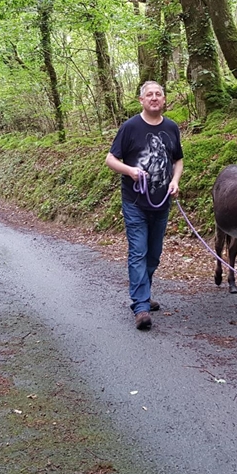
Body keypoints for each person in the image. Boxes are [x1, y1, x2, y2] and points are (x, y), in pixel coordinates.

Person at [105, 81, 184, 330]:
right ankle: (140, 307)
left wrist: (175, 181)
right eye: (149, 94)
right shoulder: (130, 127)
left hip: (162, 203)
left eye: (158, 94)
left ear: (164, 99)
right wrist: (130, 170)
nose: (154, 98)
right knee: (138, 252)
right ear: (141, 100)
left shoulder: (171, 127)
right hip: (135, 202)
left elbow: (178, 160)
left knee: (153, 255)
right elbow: (110, 159)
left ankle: (144, 293)